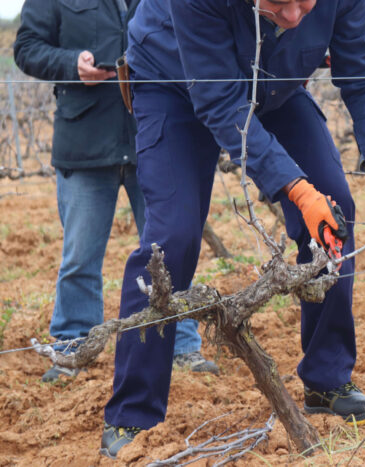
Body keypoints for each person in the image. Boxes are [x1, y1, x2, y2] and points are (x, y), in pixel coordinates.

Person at [99, 0, 365, 458]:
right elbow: (221, 102)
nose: (292, 16)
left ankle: (326, 381)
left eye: (303, 2)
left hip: (273, 84)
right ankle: (131, 413)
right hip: (174, 84)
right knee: (171, 240)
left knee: (336, 208)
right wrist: (296, 191)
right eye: (276, 3)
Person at [13, 0, 219, 384]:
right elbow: (27, 47)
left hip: (156, 140)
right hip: (85, 140)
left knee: (171, 247)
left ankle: (182, 346)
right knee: (79, 256)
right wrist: (71, 63)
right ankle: (74, 348)